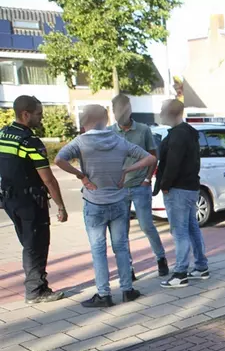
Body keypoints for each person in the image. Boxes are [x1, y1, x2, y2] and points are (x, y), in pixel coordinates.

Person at [55, 105, 156, 307]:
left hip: (94, 203)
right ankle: (127, 290)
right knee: (121, 246)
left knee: (98, 249)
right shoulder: (118, 140)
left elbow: (59, 160)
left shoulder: (81, 141)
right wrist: (127, 170)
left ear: (85, 123)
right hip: (119, 201)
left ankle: (104, 294)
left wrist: (81, 176)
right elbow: (150, 158)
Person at [0, 96, 67, 304]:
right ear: (25, 114)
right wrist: (61, 205)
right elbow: (48, 178)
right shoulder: (30, 141)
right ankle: (36, 291)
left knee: (27, 242)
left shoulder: (3, 134)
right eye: (39, 114)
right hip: (31, 201)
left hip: (10, 200)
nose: (42, 118)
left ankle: (36, 286)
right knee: (35, 244)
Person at [109, 94, 169, 280]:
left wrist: (147, 179)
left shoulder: (143, 130)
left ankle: (161, 259)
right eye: (117, 110)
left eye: (124, 109)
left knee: (146, 225)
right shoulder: (109, 132)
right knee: (121, 230)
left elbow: (153, 156)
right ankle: (128, 268)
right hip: (119, 189)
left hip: (139, 186)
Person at [154, 99, 209, 288]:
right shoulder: (189, 133)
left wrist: (165, 184)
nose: (160, 113)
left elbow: (173, 164)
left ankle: (180, 273)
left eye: (162, 109)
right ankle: (201, 266)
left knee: (180, 232)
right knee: (192, 228)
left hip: (178, 189)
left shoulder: (178, 135)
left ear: (171, 112)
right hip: (191, 187)